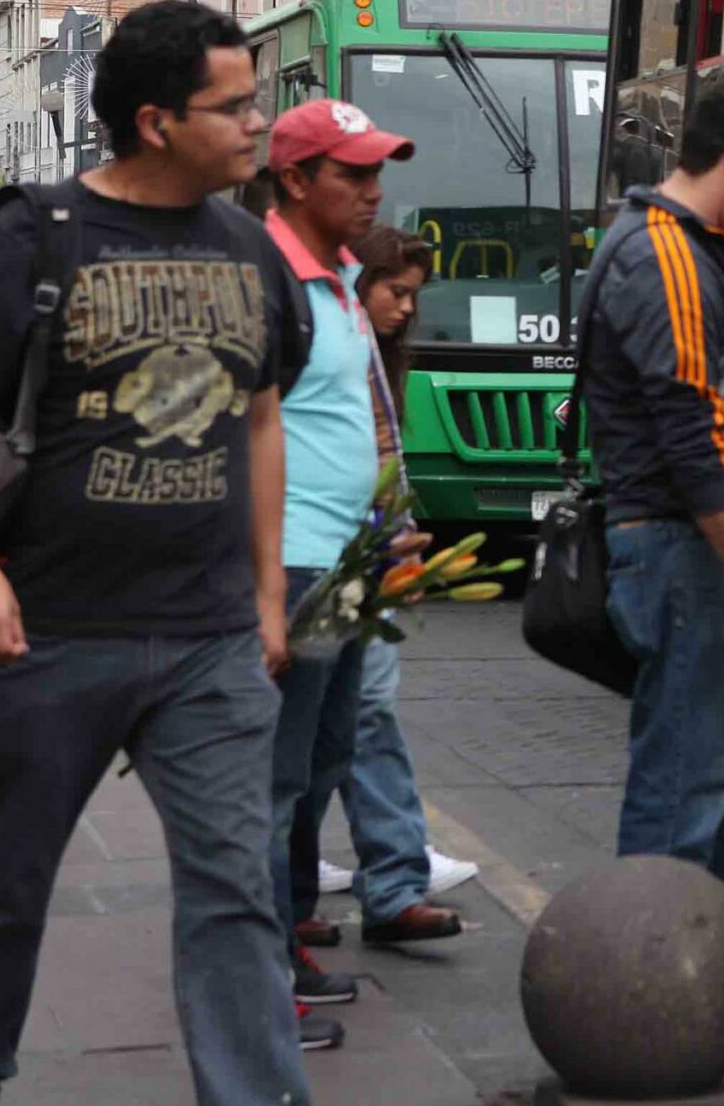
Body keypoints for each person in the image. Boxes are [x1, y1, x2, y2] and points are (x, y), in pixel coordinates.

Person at [0, 0, 322, 1104]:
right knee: (8, 885)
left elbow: (262, 417)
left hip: (209, 639)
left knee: (236, 889)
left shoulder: (251, 248)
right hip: (51, 634)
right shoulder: (37, 233)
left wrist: (270, 597)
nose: (257, 127)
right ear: (153, 121)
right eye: (233, 107)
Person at [574, 63, 724, 1041]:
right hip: (690, 558)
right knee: (684, 781)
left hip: (709, 556)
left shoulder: (692, 249)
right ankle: (647, 999)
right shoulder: (666, 257)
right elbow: (691, 438)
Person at [260, 98, 464, 1022]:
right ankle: (262, 980)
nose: (374, 189)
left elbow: (354, 422)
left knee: (321, 760)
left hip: (350, 567)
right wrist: (262, 587)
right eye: (353, 172)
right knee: (272, 781)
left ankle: (284, 940)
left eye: (378, 170)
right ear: (296, 179)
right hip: (296, 570)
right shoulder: (268, 276)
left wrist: (390, 530)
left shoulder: (341, 276)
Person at [295, 225, 476, 947]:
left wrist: (395, 544)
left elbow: (382, 454)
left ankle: (392, 881)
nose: (406, 307)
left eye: (412, 295)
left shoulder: (368, 345)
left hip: (367, 558)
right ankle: (310, 887)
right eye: (395, 291)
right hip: (320, 558)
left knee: (362, 715)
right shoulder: (320, 325)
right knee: (325, 729)